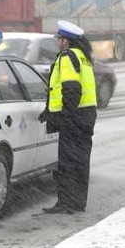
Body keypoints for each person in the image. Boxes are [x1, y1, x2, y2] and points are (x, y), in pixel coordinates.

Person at [38, 20, 98, 214]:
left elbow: (71, 89)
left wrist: (64, 115)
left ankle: (66, 202)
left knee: (67, 162)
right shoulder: (83, 57)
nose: (58, 42)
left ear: (65, 41)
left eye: (59, 38)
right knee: (81, 162)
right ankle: (78, 202)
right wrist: (49, 111)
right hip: (86, 115)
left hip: (73, 118)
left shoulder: (67, 57)